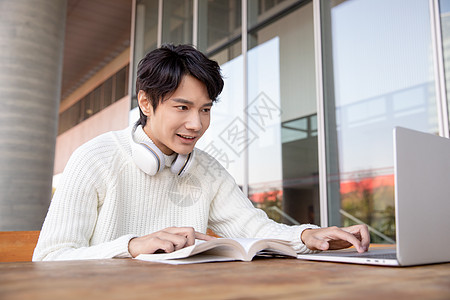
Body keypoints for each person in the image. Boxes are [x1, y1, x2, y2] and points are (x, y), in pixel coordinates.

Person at [33, 44, 369, 261]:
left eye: (205, 110)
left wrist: (309, 235)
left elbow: (252, 226)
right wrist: (133, 245)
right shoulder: (95, 158)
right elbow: (49, 257)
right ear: (146, 102)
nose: (196, 124)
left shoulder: (205, 168)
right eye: (182, 107)